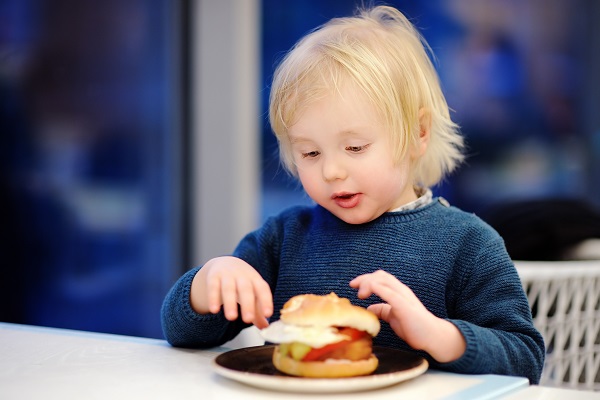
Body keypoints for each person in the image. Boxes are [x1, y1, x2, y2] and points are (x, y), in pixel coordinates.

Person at [161, 5, 545, 383]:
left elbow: (526, 358)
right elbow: (183, 334)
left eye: (355, 147)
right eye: (310, 153)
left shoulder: (467, 244)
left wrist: (442, 336)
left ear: (418, 133)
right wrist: (207, 283)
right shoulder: (285, 237)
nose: (331, 170)